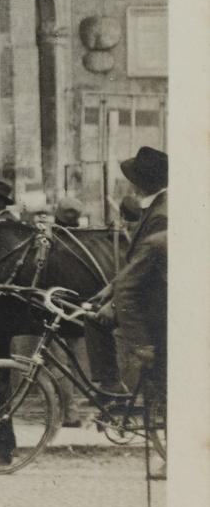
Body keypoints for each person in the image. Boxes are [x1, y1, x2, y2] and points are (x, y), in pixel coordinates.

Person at [89, 145, 167, 414]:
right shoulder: (154, 207)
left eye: (133, 181)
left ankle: (114, 390)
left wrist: (114, 303)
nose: (130, 187)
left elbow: (147, 270)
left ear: (141, 184)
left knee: (96, 320)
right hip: (143, 292)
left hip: (154, 302)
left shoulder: (161, 215)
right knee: (93, 313)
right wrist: (110, 288)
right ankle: (115, 388)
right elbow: (137, 264)